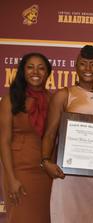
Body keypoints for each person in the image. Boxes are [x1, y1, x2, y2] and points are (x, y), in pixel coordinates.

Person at [41, 45, 93, 222]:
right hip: (67, 174)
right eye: (83, 64)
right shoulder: (64, 95)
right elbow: (49, 133)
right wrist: (46, 160)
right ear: (75, 66)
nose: (88, 69)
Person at [0, 52, 52, 223]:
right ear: (22, 71)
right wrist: (11, 178)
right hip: (19, 171)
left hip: (45, 172)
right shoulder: (10, 100)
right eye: (30, 67)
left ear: (47, 73)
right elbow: (4, 142)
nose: (35, 72)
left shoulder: (52, 100)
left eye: (41, 68)